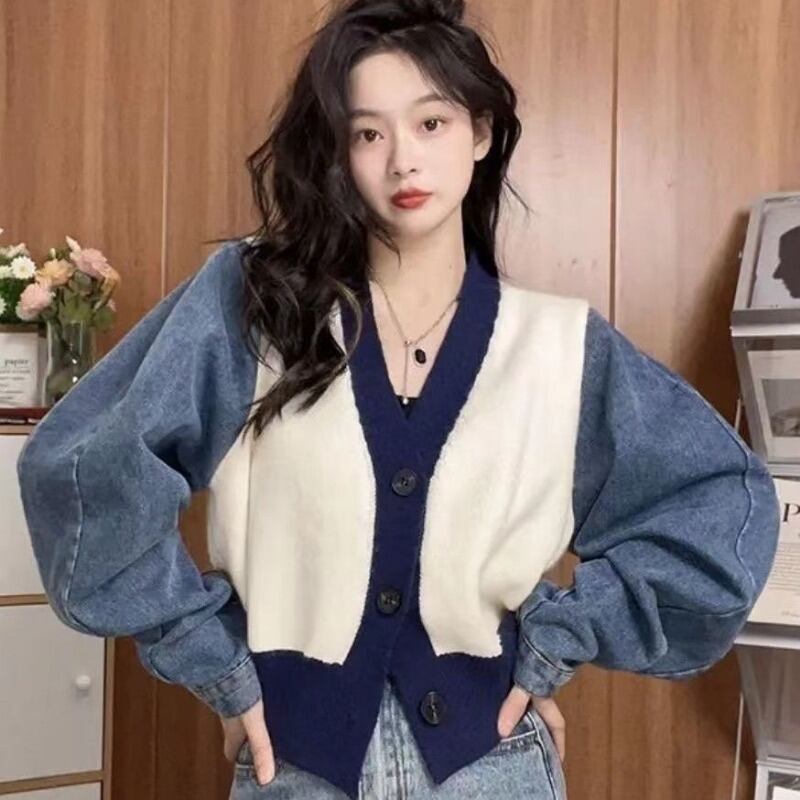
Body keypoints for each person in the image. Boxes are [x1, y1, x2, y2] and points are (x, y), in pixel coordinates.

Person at [16, 0, 781, 798]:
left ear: (480, 132)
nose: (403, 162)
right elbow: (81, 472)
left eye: (431, 123)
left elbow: (720, 506)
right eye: (368, 134)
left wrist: (558, 640)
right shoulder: (258, 308)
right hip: (296, 771)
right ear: (338, 152)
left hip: (493, 770)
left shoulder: (559, 347)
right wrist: (216, 665)